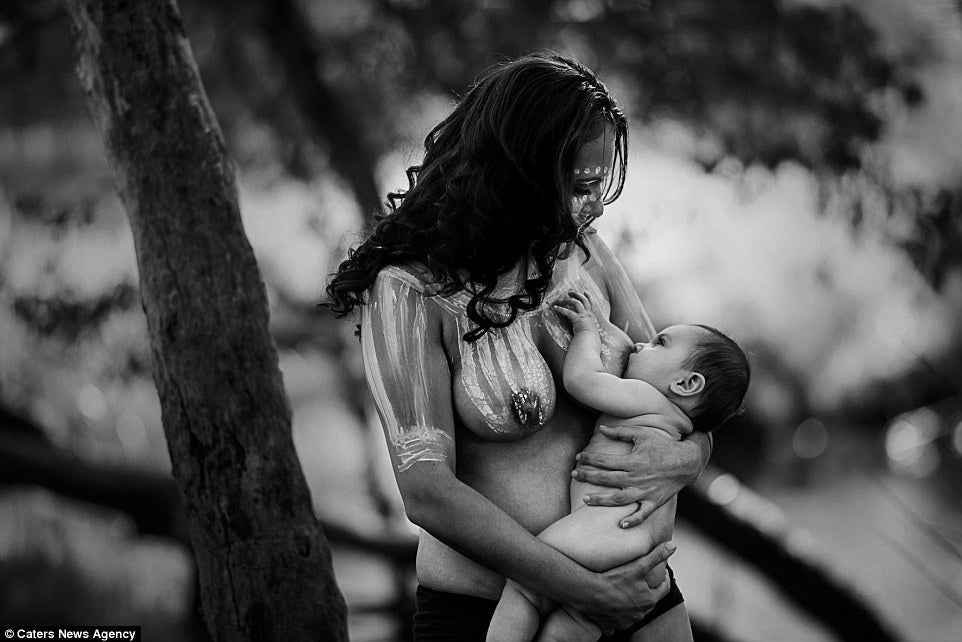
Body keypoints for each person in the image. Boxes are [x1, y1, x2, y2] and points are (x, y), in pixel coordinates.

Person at [325, 53, 714, 641]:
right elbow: (427, 492)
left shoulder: (586, 252)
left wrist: (691, 457)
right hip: (489, 615)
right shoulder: (409, 293)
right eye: (582, 186)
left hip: (638, 595)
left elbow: (679, 391)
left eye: (600, 184)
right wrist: (580, 589)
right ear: (517, 172)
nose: (596, 206)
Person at [486, 291, 750, 642]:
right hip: (645, 556)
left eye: (659, 343)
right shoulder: (679, 427)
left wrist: (586, 332)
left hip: (601, 538)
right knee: (576, 626)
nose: (640, 344)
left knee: (524, 592)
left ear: (686, 384)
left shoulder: (645, 398)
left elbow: (581, 381)